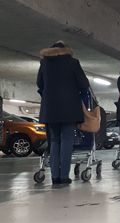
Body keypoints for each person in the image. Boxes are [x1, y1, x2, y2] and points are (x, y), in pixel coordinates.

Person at [37, 41, 90, 184]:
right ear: (65, 50)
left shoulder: (44, 63)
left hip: (50, 108)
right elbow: (84, 84)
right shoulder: (72, 62)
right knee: (67, 140)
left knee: (54, 141)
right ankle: (64, 176)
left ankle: (54, 177)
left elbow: (39, 84)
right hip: (69, 107)